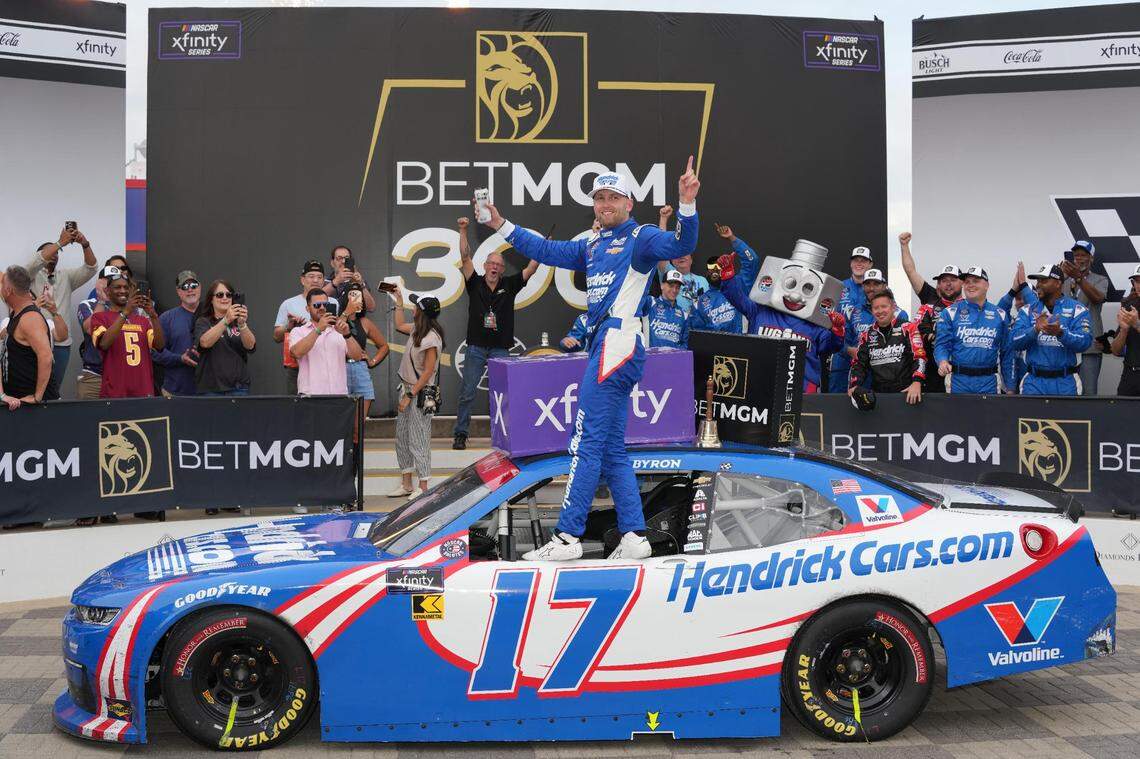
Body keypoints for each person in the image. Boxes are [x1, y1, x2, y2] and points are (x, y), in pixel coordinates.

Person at [484, 158, 701, 561]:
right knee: (612, 449)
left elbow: (682, 246)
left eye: (613, 197)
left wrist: (687, 203)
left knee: (585, 442)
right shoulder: (593, 242)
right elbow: (545, 249)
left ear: (628, 203)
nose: (605, 203)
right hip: (607, 342)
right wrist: (501, 224)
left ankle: (567, 538)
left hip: (619, 342)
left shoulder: (641, 236)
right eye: (599, 197)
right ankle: (635, 535)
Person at [452, 215, 539, 450]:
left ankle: (505, 435)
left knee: (503, 395)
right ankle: (461, 433)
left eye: (499, 265)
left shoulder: (510, 285)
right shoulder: (474, 282)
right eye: (491, 264)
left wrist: (540, 249)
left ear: (502, 270)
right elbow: (464, 256)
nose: (495, 267)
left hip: (501, 348)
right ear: (485, 266)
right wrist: (462, 230)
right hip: (476, 346)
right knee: (467, 392)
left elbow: (531, 269)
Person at [718, 241, 846, 393]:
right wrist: (727, 276)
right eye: (791, 284)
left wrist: (837, 331)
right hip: (759, 383)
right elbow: (737, 298)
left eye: (807, 288)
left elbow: (831, 347)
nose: (795, 295)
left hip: (802, 391)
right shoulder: (760, 310)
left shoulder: (816, 326)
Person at [387, 287, 445, 499]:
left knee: (418, 439)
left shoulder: (431, 338)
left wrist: (409, 395)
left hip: (418, 394)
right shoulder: (417, 329)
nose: (412, 307)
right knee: (402, 437)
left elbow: (429, 371)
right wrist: (399, 302)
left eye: (414, 305)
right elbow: (400, 324)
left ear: (421, 311)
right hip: (407, 389)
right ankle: (407, 484)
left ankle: (423, 486)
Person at [25, 225, 98, 392]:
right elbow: (31, 265)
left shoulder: (66, 276)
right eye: (50, 251)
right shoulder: (30, 275)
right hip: (34, 342)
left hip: (61, 343)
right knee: (32, 389)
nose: (54, 254)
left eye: (57, 252)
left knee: (53, 390)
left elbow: (91, 268)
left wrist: (85, 244)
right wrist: (59, 243)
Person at [1012, 265, 1092, 395]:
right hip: (1033, 382)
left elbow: (1085, 342)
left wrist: (1060, 333)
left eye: (1043, 281)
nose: (1038, 285)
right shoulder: (1027, 310)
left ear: (1058, 283)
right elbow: (1014, 341)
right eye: (1037, 281)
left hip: (1066, 382)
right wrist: (1034, 330)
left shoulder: (1077, 309)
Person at [933, 267, 1015, 394]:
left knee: (989, 415)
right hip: (958, 381)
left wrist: (1010, 387)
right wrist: (942, 361)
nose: (970, 285)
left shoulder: (1001, 315)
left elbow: (1008, 353)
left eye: (975, 281)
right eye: (967, 282)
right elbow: (941, 345)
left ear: (987, 285)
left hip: (989, 382)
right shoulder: (950, 312)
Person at [91, 268, 165, 398]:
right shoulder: (100, 317)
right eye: (117, 287)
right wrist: (125, 312)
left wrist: (153, 316)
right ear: (107, 291)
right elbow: (104, 344)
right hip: (115, 392)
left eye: (126, 287)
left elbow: (159, 346)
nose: (123, 291)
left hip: (143, 390)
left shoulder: (142, 320)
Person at [848, 289, 926, 404]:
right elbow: (859, 363)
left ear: (893, 307)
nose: (880, 311)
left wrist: (917, 382)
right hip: (879, 396)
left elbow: (919, 357)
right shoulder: (867, 335)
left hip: (906, 393)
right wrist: (854, 384)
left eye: (884, 306)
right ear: (872, 310)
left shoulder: (908, 327)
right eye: (876, 308)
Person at [289, 288, 363, 395]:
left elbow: (357, 356)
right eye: (317, 305)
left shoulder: (339, 330)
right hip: (311, 396)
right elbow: (296, 353)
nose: (322, 308)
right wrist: (318, 329)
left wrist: (347, 335)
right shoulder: (298, 331)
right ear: (307, 308)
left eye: (325, 304)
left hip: (339, 395)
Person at [1, 265, 58, 404]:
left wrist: (37, 397)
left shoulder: (30, 318)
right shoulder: (16, 313)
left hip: (35, 408)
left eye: (2, 285)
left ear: (8, 290)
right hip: (18, 402)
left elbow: (45, 356)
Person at [843, 269, 908, 388]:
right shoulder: (852, 311)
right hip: (860, 369)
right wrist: (849, 350)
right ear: (863, 286)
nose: (871, 288)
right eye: (868, 284)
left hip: (890, 374)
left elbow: (908, 350)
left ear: (884, 285)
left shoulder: (899, 314)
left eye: (876, 284)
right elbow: (842, 340)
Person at [1060, 240, 1109, 395]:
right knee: (1065, 391)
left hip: (1090, 346)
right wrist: (1061, 277)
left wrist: (1079, 279)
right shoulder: (1065, 281)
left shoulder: (1100, 279)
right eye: (1076, 255)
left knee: (1088, 392)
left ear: (1092, 258)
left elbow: (1097, 298)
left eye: (1083, 255)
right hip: (1065, 345)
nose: (1079, 258)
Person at [826, 245, 875, 392]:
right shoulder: (838, 287)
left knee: (864, 397)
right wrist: (846, 348)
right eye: (856, 260)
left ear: (870, 264)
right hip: (841, 352)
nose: (859, 264)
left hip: (868, 355)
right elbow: (826, 319)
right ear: (850, 263)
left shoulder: (879, 288)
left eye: (863, 261)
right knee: (837, 396)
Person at [194, 280, 256, 395]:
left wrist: (242, 324)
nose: (225, 298)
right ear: (211, 300)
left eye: (228, 295)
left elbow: (250, 346)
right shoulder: (203, 322)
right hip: (212, 389)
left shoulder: (238, 321)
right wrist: (226, 320)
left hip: (238, 388)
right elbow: (204, 343)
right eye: (219, 295)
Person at [275, 260, 327, 394]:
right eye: (311, 276)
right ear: (302, 280)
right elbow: (276, 336)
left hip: (325, 364)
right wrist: (289, 327)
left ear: (324, 281)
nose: (315, 280)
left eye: (319, 277)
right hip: (296, 365)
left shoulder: (333, 303)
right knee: (298, 409)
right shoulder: (288, 304)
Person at [340, 281, 389, 419]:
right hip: (339, 369)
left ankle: (357, 440)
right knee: (341, 421)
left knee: (359, 423)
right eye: (352, 295)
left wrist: (372, 361)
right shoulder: (334, 320)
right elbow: (336, 329)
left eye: (359, 296)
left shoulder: (365, 322)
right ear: (345, 298)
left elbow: (384, 346)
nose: (356, 299)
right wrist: (346, 312)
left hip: (360, 369)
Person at [689, 224, 748, 334]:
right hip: (716, 349)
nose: (715, 269)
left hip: (741, 346)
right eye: (711, 267)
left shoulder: (740, 285)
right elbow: (697, 334)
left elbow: (751, 262)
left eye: (719, 266)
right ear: (706, 272)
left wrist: (732, 238)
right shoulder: (700, 302)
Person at [151, 270, 201, 396]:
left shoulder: (212, 314)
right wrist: (179, 359)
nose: (190, 290)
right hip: (175, 391)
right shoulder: (167, 318)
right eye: (184, 287)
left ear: (199, 288)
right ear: (178, 292)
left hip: (208, 392)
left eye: (193, 286)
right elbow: (155, 352)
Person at [655, 205, 708, 313]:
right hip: (673, 322)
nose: (681, 256)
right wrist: (663, 219)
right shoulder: (668, 272)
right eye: (677, 254)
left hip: (697, 326)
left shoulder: (703, 281)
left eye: (684, 253)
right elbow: (661, 247)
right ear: (672, 261)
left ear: (691, 259)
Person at [1111, 265, 1140, 396]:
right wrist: (1123, 330)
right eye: (1137, 281)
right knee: (1123, 415)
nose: (1139, 285)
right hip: (1130, 375)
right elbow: (1115, 351)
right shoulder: (1129, 306)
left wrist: (1137, 324)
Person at [324, 245, 376, 313]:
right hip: (329, 321)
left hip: (351, 321)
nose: (343, 261)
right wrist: (337, 281)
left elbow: (371, 308)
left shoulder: (359, 281)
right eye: (339, 258)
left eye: (346, 258)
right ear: (332, 263)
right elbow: (315, 300)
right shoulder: (324, 281)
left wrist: (360, 284)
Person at [646, 270, 690, 348]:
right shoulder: (650, 303)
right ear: (662, 285)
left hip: (673, 359)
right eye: (671, 286)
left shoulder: (684, 314)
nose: (674, 290)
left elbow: (685, 344)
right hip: (651, 357)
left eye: (677, 287)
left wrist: (676, 355)